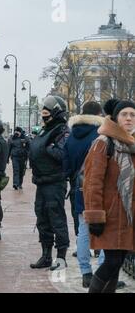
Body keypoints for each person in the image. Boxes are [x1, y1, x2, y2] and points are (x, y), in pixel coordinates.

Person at [84, 100, 135, 293]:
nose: (129, 118)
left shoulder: (132, 144)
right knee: (112, 262)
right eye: (124, 114)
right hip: (110, 216)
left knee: (117, 263)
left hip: (128, 216)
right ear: (115, 118)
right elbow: (92, 183)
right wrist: (95, 216)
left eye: (132, 114)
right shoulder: (103, 143)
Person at [63, 101, 105, 287]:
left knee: (83, 229)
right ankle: (104, 273)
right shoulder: (101, 134)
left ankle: (85, 273)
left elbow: (65, 167)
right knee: (106, 229)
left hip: (78, 187)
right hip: (100, 187)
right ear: (99, 113)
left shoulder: (71, 137)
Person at [29, 95, 70, 270]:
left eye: (47, 112)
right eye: (43, 112)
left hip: (55, 182)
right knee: (42, 218)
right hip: (41, 182)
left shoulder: (63, 131)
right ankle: (46, 256)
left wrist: (48, 148)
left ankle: (61, 258)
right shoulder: (45, 130)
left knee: (57, 219)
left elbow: (61, 155)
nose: (44, 115)